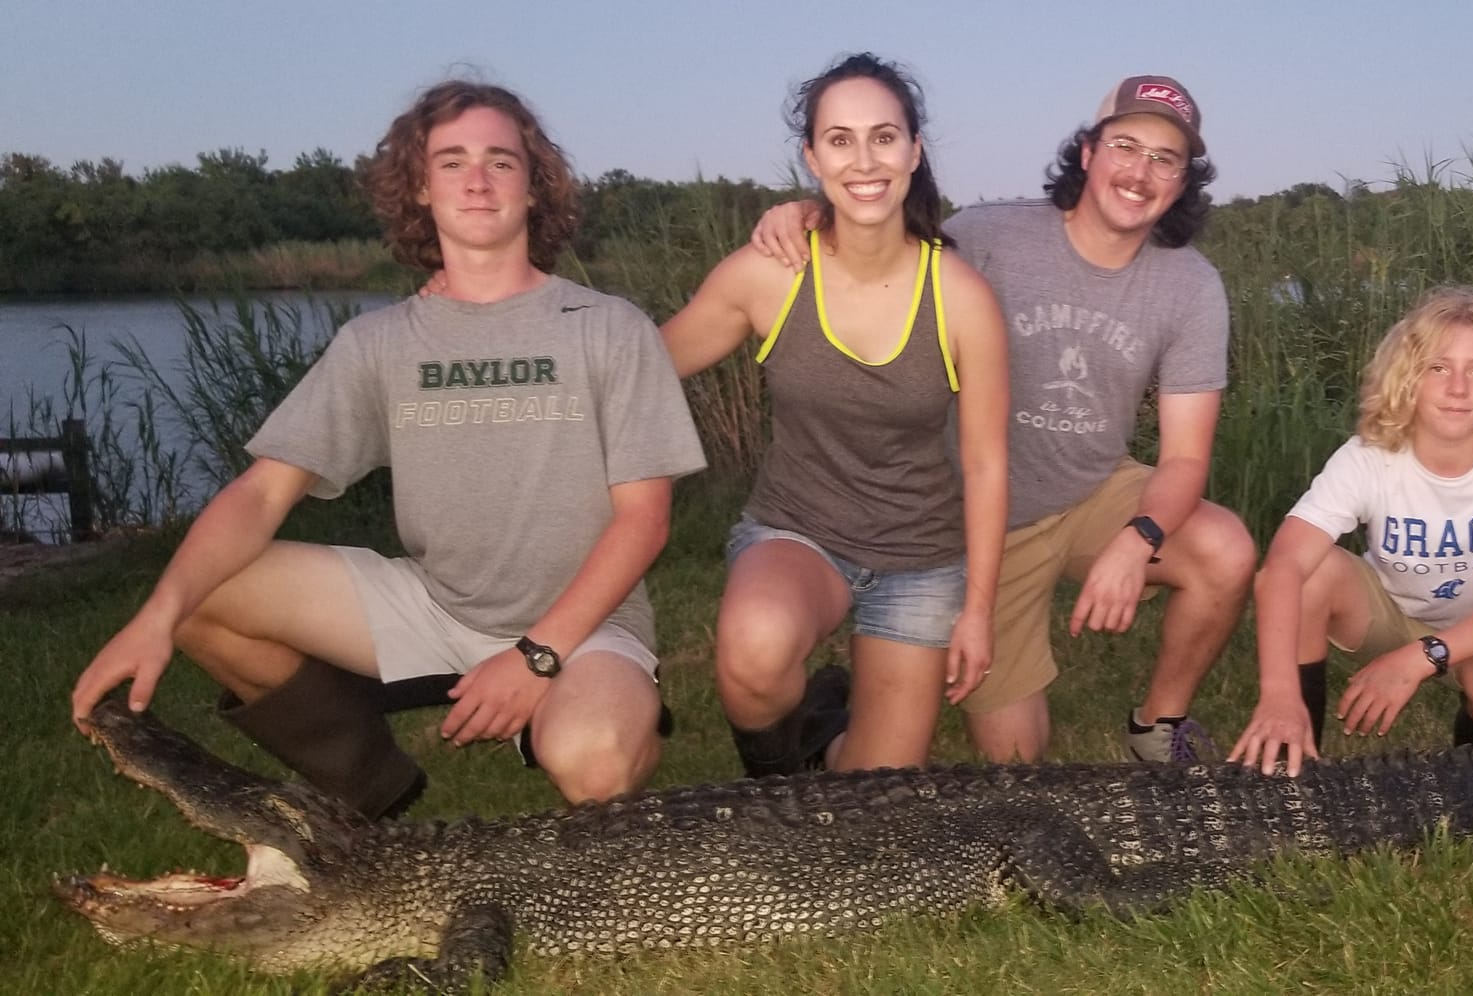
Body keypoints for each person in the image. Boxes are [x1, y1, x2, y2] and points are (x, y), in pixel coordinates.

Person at [68, 80, 706, 814]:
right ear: (421, 191)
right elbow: (262, 492)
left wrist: (536, 658)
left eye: (501, 161)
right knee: (198, 589)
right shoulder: (379, 342)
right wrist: (154, 615)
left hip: (587, 622)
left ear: (534, 188)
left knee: (594, 765)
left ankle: (593, 708)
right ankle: (371, 783)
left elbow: (644, 520)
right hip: (433, 604)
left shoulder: (606, 326)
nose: (476, 180)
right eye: (452, 162)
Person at [753, 75, 1257, 765]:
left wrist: (1139, 538)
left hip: (1092, 493)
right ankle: (826, 728)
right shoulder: (990, 236)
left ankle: (1157, 729)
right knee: (1016, 759)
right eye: (1125, 146)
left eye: (1165, 158)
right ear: (1087, 153)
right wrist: (808, 212)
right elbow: (875, 243)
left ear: (1182, 179)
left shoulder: (1191, 284)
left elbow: (1184, 461)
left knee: (1224, 549)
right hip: (981, 521)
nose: (1140, 172)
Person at [660, 54, 1008, 775]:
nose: (864, 160)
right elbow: (644, 365)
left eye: (884, 137)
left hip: (920, 557)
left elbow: (984, 463)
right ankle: (777, 782)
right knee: (753, 652)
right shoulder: (771, 273)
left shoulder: (961, 297)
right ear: (812, 156)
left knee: (869, 800)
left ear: (914, 151)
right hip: (800, 531)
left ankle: (827, 732)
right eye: (840, 140)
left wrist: (976, 609)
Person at [1227, 287, 1473, 777]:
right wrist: (1278, 693)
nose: (1458, 388)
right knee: (1311, 573)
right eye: (1438, 368)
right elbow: (1280, 568)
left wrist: (1419, 659)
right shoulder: (1369, 455)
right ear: (1408, 377)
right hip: (1387, 611)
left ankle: (1469, 762)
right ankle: (1293, 756)